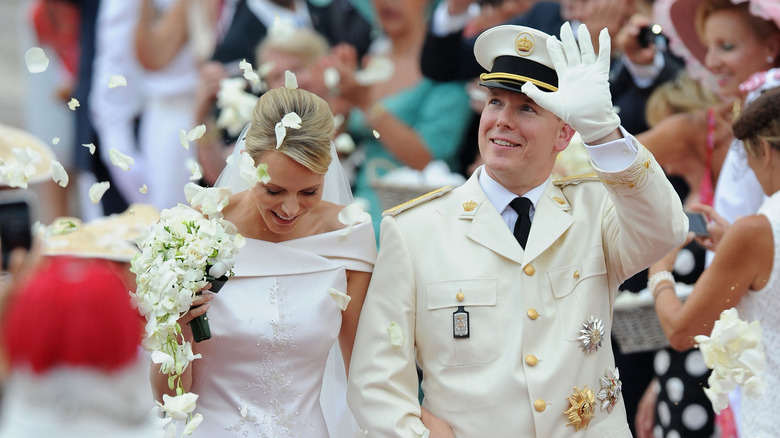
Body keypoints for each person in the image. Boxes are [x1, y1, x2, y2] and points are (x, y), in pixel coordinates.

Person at [347, 21, 688, 437]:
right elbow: (376, 381)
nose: (502, 121)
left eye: (526, 108)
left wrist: (603, 132)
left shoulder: (597, 209)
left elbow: (666, 230)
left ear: (564, 133)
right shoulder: (415, 230)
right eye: (494, 102)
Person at [150, 86, 378, 436]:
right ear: (247, 163)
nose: (290, 209)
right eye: (273, 190)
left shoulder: (349, 239)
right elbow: (169, 398)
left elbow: (364, 372)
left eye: (309, 192)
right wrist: (177, 332)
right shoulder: (195, 233)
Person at [648, 84, 780, 438]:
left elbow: (681, 331)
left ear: (765, 150)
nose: (751, 172)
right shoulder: (753, 235)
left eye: (748, 161)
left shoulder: (758, 230)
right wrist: (733, 248)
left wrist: (660, 271)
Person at [326, 0, 473, 239]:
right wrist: (341, 105)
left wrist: (366, 104)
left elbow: (427, 157)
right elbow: (338, 149)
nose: (386, 2)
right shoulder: (371, 59)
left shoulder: (446, 65)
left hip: (417, 213)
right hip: (358, 206)